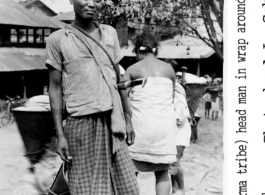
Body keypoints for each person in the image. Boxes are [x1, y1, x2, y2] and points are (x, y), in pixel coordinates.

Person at [46, 0, 139, 194]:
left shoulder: (109, 33)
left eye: (97, 0)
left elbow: (119, 80)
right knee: (86, 189)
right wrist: (59, 135)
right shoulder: (58, 39)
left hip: (113, 122)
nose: (91, 4)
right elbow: (55, 88)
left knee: (127, 188)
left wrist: (128, 119)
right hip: (80, 124)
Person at [123, 32, 177, 195]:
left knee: (130, 171)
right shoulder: (169, 70)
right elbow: (171, 99)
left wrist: (127, 122)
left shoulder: (132, 69)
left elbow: (123, 100)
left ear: (137, 51)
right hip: (164, 128)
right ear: (155, 50)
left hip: (141, 127)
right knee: (162, 172)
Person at [169, 79, 192, 195]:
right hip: (169, 129)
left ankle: (181, 190)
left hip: (181, 129)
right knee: (169, 163)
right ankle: (173, 189)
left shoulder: (178, 90)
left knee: (175, 161)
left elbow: (181, 116)